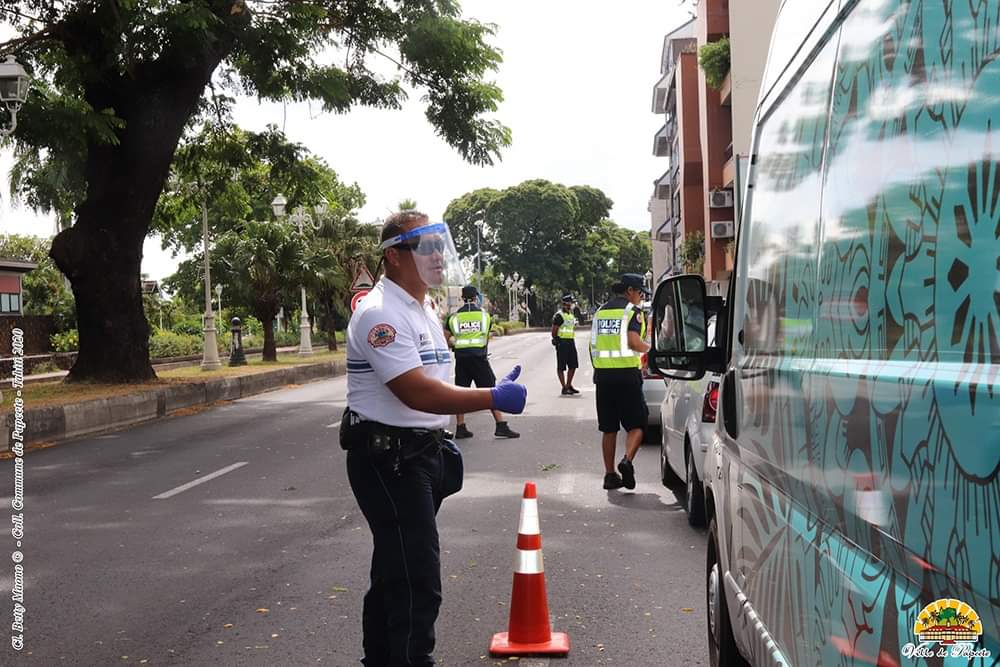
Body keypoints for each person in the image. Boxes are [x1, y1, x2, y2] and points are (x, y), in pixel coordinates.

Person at [342, 211, 527, 667]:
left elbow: (436, 378)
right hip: (389, 458)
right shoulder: (380, 313)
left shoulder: (421, 308)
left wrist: (481, 391)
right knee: (416, 578)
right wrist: (490, 396)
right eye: (423, 246)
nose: (437, 255)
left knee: (394, 571)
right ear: (394, 256)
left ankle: (382, 660)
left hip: (417, 454)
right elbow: (415, 390)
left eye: (438, 244)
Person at [589, 273, 651, 491]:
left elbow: (592, 346)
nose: (641, 297)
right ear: (630, 291)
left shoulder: (599, 312)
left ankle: (609, 475)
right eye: (640, 292)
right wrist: (651, 350)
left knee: (609, 428)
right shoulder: (632, 312)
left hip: (603, 377)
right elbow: (634, 342)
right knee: (638, 423)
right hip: (627, 375)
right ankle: (626, 460)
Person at [445, 284, 520, 439]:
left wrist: (457, 344)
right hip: (479, 358)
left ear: (462, 298)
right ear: (476, 298)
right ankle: (501, 425)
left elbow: (446, 339)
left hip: (461, 359)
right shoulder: (484, 316)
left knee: (461, 392)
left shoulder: (453, 317)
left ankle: (460, 427)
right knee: (491, 391)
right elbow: (485, 337)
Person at [551, 294, 580, 396]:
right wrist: (556, 339)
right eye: (571, 303)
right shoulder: (559, 315)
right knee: (561, 366)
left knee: (573, 365)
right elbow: (554, 330)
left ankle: (569, 385)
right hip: (562, 342)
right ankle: (564, 387)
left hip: (570, 342)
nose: (572, 304)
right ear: (565, 304)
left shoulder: (571, 315)